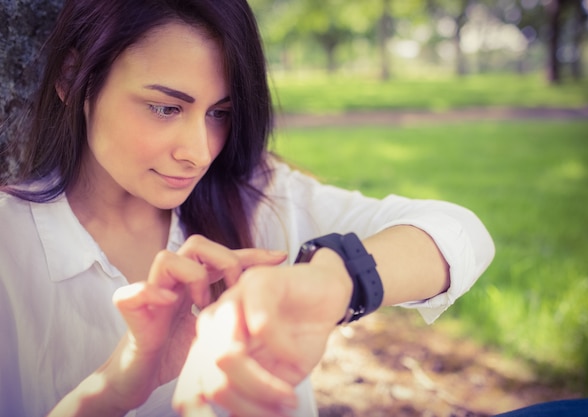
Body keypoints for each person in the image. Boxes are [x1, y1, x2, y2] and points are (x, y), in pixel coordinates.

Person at [0, 1, 495, 416]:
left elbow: (461, 234)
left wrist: (334, 280)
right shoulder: (10, 245)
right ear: (72, 78)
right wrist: (110, 391)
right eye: (166, 108)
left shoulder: (259, 200)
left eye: (221, 113)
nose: (197, 150)